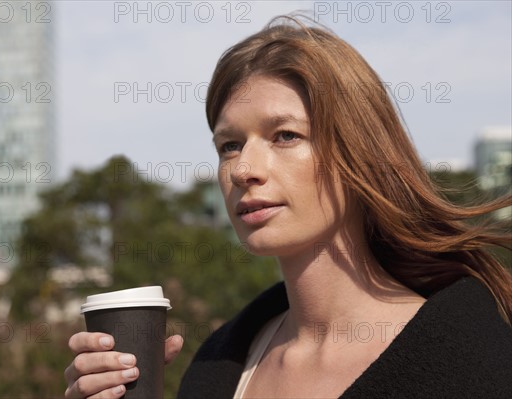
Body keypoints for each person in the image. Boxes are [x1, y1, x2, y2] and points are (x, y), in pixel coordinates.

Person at [64, 15, 512, 398]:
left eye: (285, 136)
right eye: (229, 145)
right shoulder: (218, 366)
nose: (243, 169)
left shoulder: (474, 360)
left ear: (361, 152)